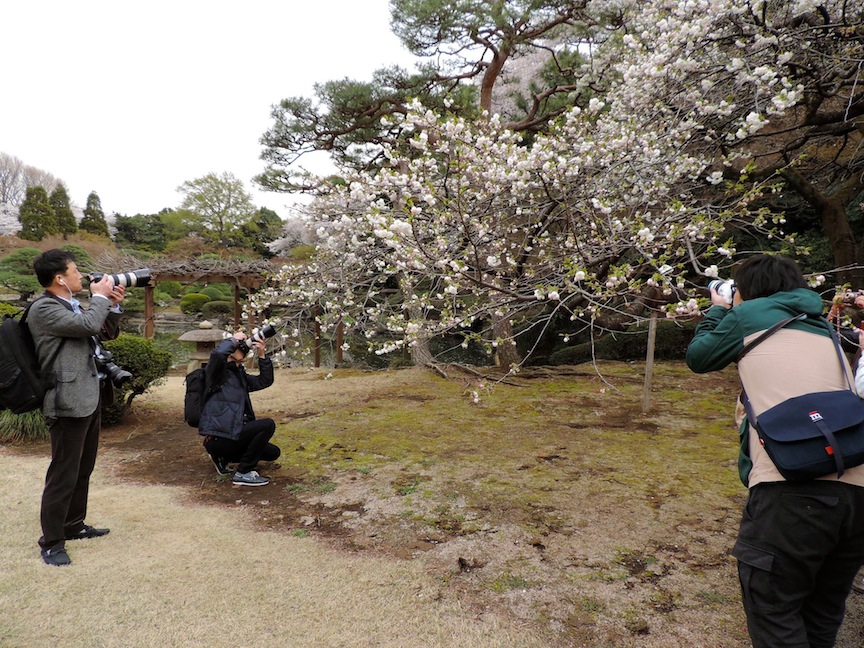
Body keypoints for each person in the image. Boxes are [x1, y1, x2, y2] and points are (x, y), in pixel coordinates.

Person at [686, 254, 864, 647]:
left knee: (773, 608)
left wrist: (718, 310)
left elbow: (699, 358)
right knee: (822, 608)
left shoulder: (746, 317)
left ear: (747, 290)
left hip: (793, 487)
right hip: (858, 490)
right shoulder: (824, 327)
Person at [27, 249, 126, 567]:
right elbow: (86, 326)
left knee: (83, 468)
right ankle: (52, 542)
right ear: (59, 278)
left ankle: (73, 525)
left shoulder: (69, 305)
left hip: (88, 396)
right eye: (75, 270)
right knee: (63, 473)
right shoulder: (44, 308)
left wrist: (113, 304)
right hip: (67, 401)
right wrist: (99, 298)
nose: (81, 276)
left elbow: (102, 331)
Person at [199, 331, 280, 487]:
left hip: (234, 432)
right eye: (239, 347)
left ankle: (222, 458)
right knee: (267, 424)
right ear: (230, 351)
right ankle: (243, 472)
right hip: (220, 436)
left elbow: (264, 381)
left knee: (273, 453)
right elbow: (218, 353)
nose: (243, 349)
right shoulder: (216, 373)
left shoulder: (238, 374)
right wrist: (234, 339)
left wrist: (262, 354)